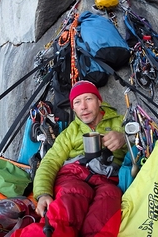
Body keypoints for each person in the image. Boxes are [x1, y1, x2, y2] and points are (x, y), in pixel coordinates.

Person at [12, 80, 127, 237]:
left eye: (88, 99)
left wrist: (125, 138)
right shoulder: (70, 133)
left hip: (106, 178)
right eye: (77, 102)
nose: (83, 107)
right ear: (73, 107)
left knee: (110, 197)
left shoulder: (119, 122)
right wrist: (43, 193)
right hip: (74, 175)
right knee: (75, 194)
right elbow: (50, 162)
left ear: (99, 101)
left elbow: (145, 141)